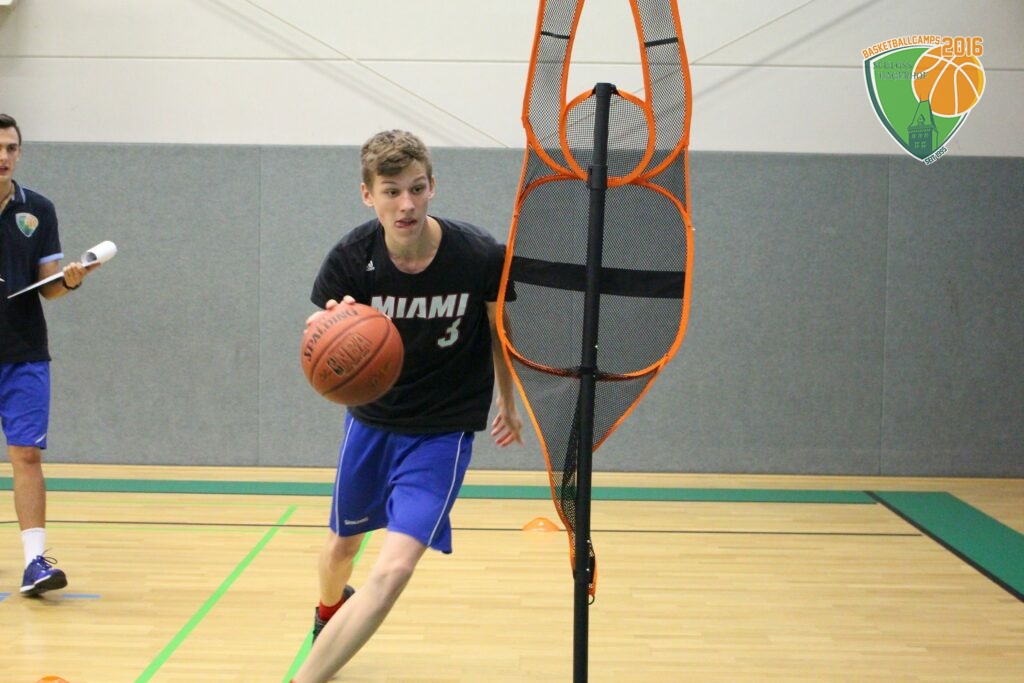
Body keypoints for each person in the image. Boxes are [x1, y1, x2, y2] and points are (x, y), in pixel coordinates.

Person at [292, 129, 523, 682]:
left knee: (394, 569)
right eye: (392, 191)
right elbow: (320, 331)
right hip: (373, 423)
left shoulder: (478, 255)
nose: (407, 204)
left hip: (443, 432)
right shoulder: (351, 259)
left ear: (432, 186)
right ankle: (329, 611)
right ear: (367, 195)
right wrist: (325, 327)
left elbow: (499, 328)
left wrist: (509, 400)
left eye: (417, 189)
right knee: (342, 547)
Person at [0, 113, 93, 596]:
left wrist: (69, 280)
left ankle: (34, 562)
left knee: (27, 454)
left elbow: (48, 286)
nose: (3, 156)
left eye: (11, 148)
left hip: (24, 352)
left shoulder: (37, 209)